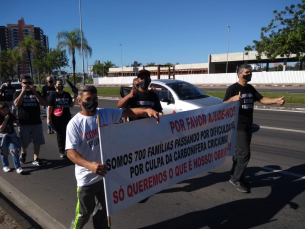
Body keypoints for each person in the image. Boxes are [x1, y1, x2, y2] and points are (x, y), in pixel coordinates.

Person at [66, 85, 159, 229]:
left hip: (105, 175)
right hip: (87, 178)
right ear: (79, 101)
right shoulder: (75, 124)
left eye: (95, 99)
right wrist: (89, 165)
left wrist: (146, 110)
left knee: (104, 211)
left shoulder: (105, 114)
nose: (93, 102)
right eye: (88, 99)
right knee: (84, 213)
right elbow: (70, 152)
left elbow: (128, 112)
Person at [223, 64, 285, 193]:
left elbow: (261, 99)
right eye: (247, 72)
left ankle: (235, 174)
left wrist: (276, 100)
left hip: (248, 125)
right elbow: (223, 105)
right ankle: (236, 179)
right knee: (244, 154)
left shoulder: (250, 88)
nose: (249, 74)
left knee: (240, 153)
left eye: (250, 72)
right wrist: (232, 99)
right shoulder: (233, 88)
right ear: (240, 74)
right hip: (238, 125)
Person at [13, 75, 46, 166]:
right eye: (25, 83)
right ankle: (23, 153)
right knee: (24, 142)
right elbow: (16, 104)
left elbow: (43, 103)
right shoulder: (17, 93)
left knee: (37, 141)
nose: (27, 84)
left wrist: (35, 92)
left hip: (36, 122)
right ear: (21, 84)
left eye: (29, 83)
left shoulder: (36, 92)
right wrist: (23, 92)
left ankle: (36, 158)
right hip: (24, 123)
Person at [47, 79, 77, 158]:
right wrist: (48, 118)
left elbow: (71, 105)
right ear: (55, 86)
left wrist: (74, 97)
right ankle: (62, 150)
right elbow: (50, 107)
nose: (60, 85)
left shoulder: (66, 94)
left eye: (61, 84)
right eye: (58, 84)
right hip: (56, 118)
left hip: (66, 117)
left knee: (67, 133)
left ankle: (68, 149)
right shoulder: (53, 95)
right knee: (60, 134)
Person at [0, 102, 23, 174]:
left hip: (11, 135)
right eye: (3, 110)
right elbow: (1, 128)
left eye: (6, 110)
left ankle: (18, 167)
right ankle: (5, 166)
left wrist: (17, 124)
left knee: (14, 150)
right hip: (2, 136)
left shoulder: (10, 115)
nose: (5, 112)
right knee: (4, 152)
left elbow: (14, 121)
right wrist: (5, 120)